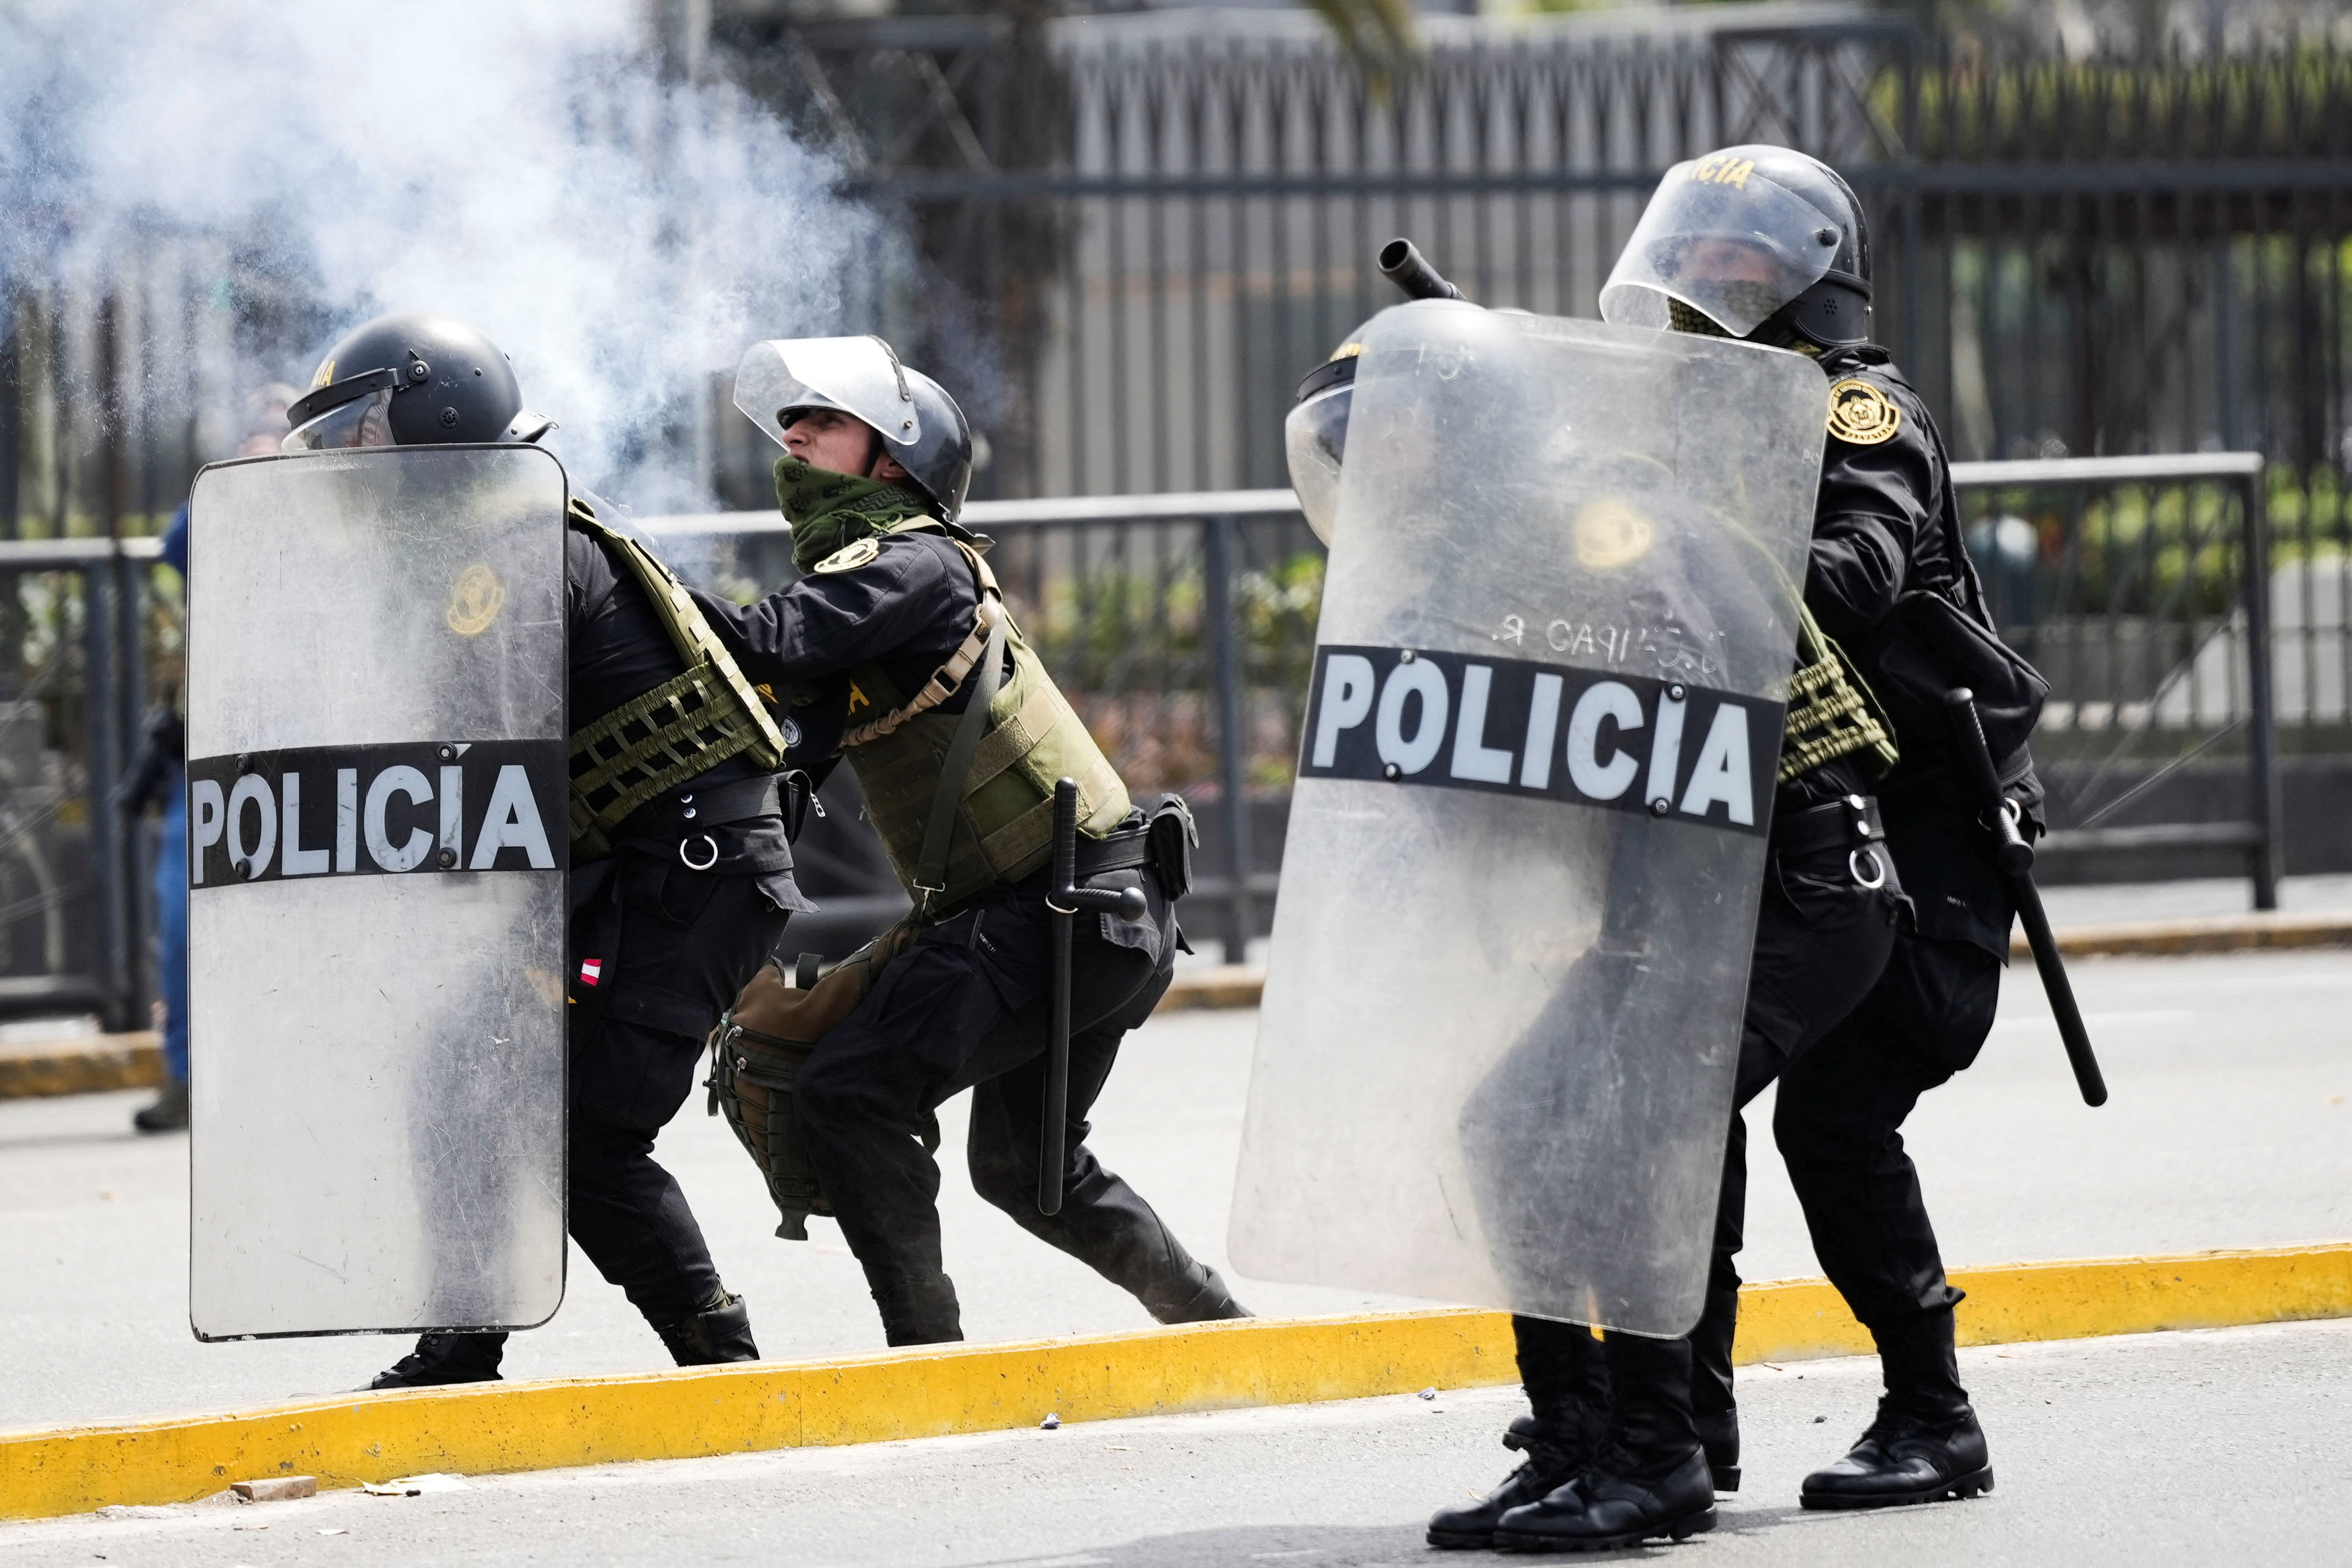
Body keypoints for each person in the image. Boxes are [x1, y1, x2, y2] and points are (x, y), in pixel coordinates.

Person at [1430, 146, 1985, 1550]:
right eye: (1697, 260)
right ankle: (1655, 1428)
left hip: (1894, 831)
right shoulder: (1668, 434)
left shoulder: (1855, 412)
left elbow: (1854, 577)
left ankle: (1925, 1414)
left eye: (1742, 266)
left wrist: (1678, 520)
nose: (1708, 289)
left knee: (1821, 1120)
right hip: (1720, 828)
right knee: (1647, 1108)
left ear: (1806, 280)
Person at [260, 312, 809, 1387]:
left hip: (688, 876)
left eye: (361, 436)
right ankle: (465, 1342)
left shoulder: (503, 560)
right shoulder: (493, 542)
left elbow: (477, 767)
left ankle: (725, 1362)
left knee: (584, 1134)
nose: (346, 468)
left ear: (434, 415)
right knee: (457, 1079)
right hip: (633, 874)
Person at [692, 335, 1251, 1346]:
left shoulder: (915, 566)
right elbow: (781, 759)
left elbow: (764, 642)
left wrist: (633, 575)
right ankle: (1222, 1332)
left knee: (851, 1088)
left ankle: (926, 1357)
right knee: (1029, 1175)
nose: (794, 433)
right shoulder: (857, 602)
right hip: (1089, 917)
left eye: (824, 419)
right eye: (792, 417)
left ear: (893, 458)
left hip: (1067, 912)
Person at [121, 387, 296, 1134]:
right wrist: (235, 473)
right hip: (211, 756)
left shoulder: (327, 521)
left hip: (296, 753)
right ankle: (187, 1079)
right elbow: (179, 544)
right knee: (182, 922)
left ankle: (279, 1077)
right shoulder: (216, 514)